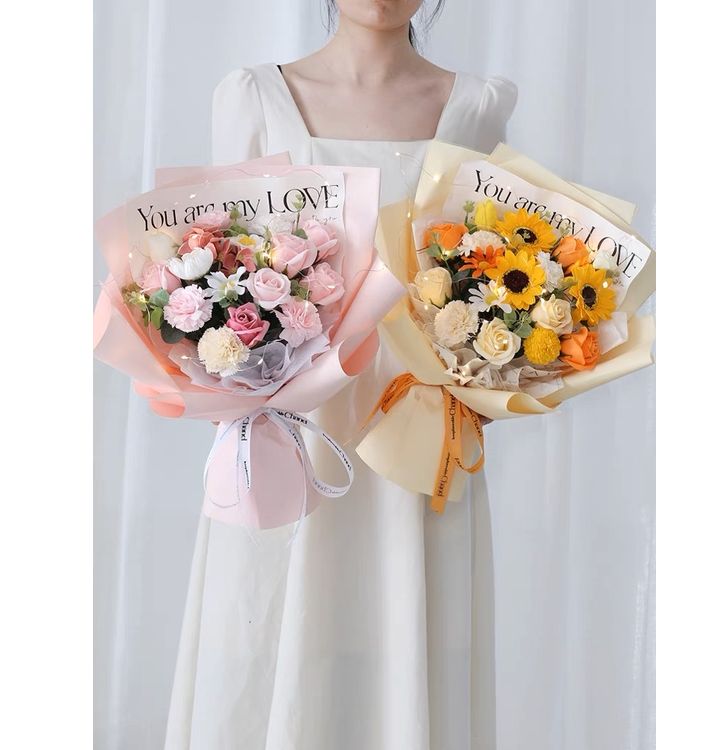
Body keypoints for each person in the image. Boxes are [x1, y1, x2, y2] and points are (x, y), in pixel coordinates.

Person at [165, 2, 517, 747]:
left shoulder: (475, 107)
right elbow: (214, 260)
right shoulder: (254, 97)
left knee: (410, 634)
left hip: (417, 422)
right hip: (287, 422)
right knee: (264, 629)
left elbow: (493, 262)